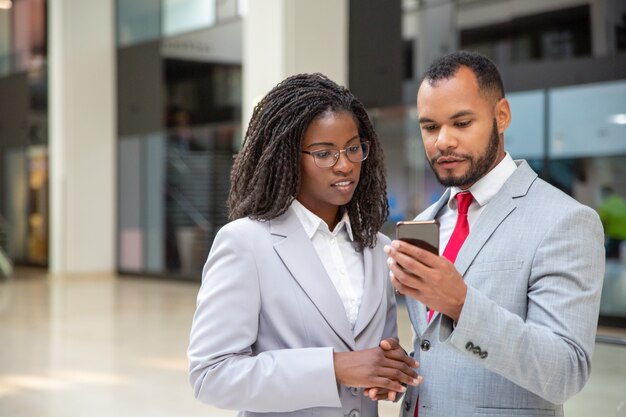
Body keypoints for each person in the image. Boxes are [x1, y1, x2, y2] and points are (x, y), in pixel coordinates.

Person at [384, 51, 605, 417]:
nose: (442, 141)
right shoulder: (426, 221)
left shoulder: (565, 220)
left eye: (461, 123)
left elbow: (566, 372)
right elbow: (437, 352)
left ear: (501, 116)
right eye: (429, 127)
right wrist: (399, 367)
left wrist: (460, 304)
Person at [188, 73, 420, 417]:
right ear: (287, 157)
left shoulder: (376, 247)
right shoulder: (245, 243)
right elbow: (211, 374)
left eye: (353, 148)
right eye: (324, 153)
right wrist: (335, 368)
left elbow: (370, 360)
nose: (345, 165)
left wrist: (388, 370)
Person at [598, 185, 626, 259]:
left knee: (606, 257)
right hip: (624, 236)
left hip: (613, 236)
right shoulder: (621, 201)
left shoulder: (606, 205)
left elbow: (601, 223)